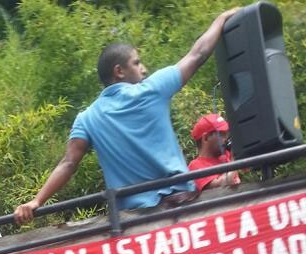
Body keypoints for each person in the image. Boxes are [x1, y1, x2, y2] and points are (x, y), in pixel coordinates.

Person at [14, 8, 240, 223]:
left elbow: (68, 163)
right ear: (119, 71)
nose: (144, 69)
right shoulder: (152, 89)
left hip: (134, 222)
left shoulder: (87, 119)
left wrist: (37, 200)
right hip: (181, 207)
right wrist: (221, 19)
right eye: (137, 62)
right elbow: (198, 54)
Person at [188, 113, 240, 191]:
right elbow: (221, 186)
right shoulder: (195, 166)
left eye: (226, 134)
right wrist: (235, 159)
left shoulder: (227, 154)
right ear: (205, 138)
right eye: (222, 134)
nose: (226, 139)